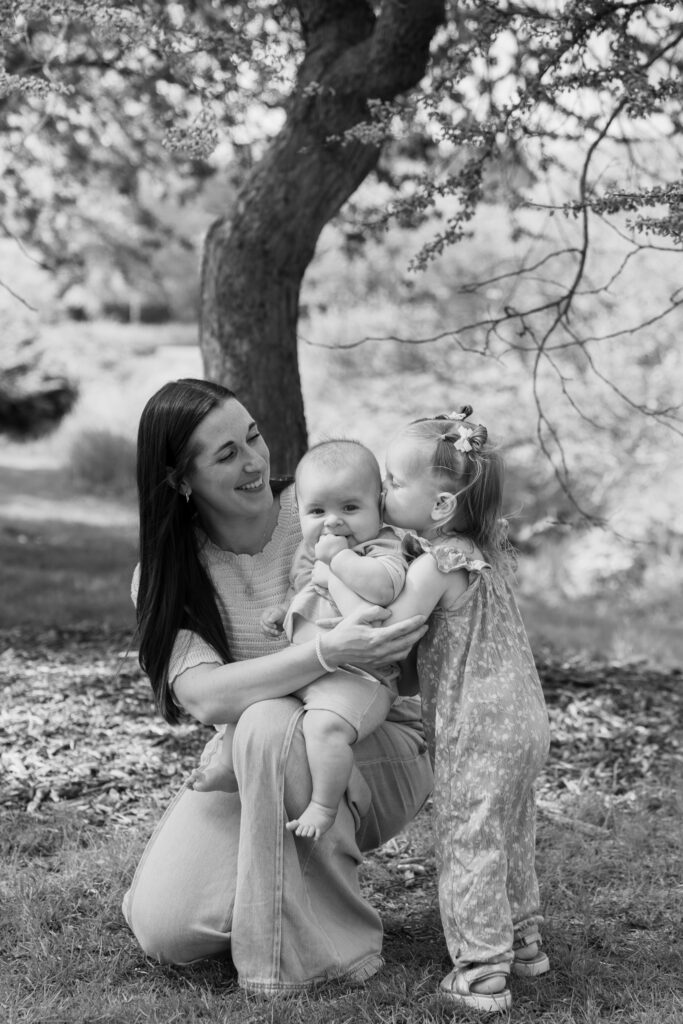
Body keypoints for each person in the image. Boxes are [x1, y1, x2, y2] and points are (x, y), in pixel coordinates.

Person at [122, 378, 433, 995]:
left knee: (263, 720)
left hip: (368, 744)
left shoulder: (326, 505)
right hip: (252, 757)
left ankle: (334, 950)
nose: (254, 460)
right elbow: (205, 697)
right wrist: (325, 649)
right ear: (182, 480)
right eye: (226, 453)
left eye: (253, 435)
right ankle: (276, 895)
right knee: (169, 932)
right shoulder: (168, 573)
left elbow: (411, 646)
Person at [376, 406, 551, 1014]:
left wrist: (335, 577)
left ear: (442, 506)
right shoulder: (482, 554)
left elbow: (389, 636)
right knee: (509, 831)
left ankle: (481, 969)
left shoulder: (433, 567)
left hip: (478, 728)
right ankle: (523, 941)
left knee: (469, 839)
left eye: (394, 483)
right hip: (524, 722)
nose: (381, 491)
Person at [190, 439, 409, 842]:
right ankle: (226, 762)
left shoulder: (382, 546)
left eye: (350, 508)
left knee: (325, 729)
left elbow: (381, 592)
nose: (332, 522)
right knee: (254, 697)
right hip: (313, 666)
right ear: (299, 512)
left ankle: (324, 805)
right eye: (317, 511)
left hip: (359, 678)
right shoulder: (310, 553)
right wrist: (284, 610)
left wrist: (339, 562)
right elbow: (304, 592)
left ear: (378, 505)